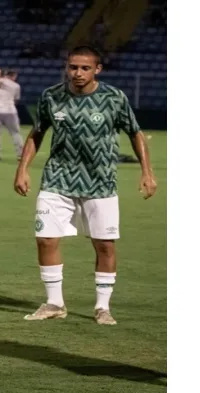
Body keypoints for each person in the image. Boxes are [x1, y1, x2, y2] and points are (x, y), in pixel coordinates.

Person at [14, 45, 158, 325]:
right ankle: (54, 303)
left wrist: (147, 172)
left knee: (104, 245)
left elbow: (135, 132)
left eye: (84, 68)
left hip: (100, 182)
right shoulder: (51, 96)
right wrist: (22, 169)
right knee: (45, 239)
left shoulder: (114, 98)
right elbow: (37, 132)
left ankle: (102, 307)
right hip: (57, 179)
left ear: (97, 70)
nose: (77, 73)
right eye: (72, 67)